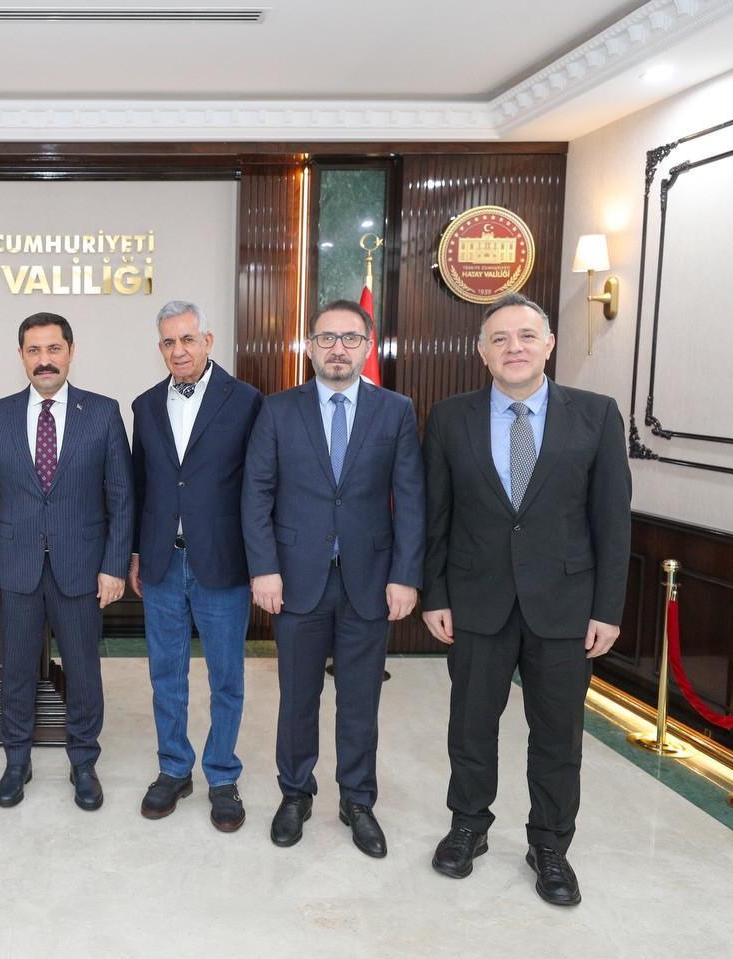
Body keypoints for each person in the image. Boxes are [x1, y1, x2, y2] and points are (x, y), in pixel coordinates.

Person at [422, 292, 630, 907]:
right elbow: (436, 516)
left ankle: (550, 846)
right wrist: (435, 593)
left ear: (549, 345)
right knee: (470, 726)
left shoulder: (596, 415)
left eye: (526, 336)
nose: (514, 347)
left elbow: (612, 521)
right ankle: (468, 825)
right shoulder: (449, 418)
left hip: (566, 607)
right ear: (482, 352)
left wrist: (608, 609)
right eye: (500, 339)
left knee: (558, 736)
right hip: (475, 601)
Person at [242, 300, 424, 858]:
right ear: (310, 347)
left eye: (349, 338)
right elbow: (256, 494)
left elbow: (411, 498)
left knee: (360, 700)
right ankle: (295, 794)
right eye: (326, 338)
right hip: (296, 580)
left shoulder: (395, 410)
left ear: (368, 346)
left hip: (370, 580)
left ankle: (358, 800)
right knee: (297, 697)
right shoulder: (278, 409)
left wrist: (405, 575)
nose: (337, 349)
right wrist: (264, 568)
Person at [0, 312, 133, 811]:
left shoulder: (103, 413)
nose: (44, 360)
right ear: (21, 355)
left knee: (83, 671)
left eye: (53, 349)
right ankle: (16, 761)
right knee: (17, 672)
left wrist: (114, 565)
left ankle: (83, 761)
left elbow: (121, 497)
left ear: (71, 352)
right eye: (34, 350)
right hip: (14, 568)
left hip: (81, 568)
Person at [128, 300, 262, 831]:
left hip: (223, 561)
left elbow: (258, 486)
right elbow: (141, 486)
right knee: (166, 673)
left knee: (226, 676)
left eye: (187, 339)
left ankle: (223, 775)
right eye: (168, 342)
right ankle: (174, 768)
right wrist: (136, 552)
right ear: (159, 348)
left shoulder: (246, 401)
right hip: (162, 561)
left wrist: (262, 561)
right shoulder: (144, 405)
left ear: (207, 340)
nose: (178, 350)